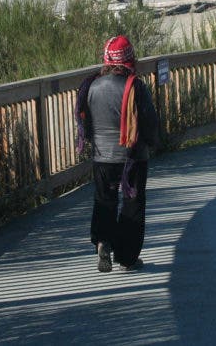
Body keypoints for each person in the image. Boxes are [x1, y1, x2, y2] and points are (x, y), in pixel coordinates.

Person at [80, 35, 159, 272]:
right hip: (132, 156)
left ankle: (103, 241)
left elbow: (86, 122)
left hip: (102, 156)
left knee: (104, 200)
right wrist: (153, 143)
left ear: (107, 59)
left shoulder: (91, 86)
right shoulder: (136, 86)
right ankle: (127, 257)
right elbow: (149, 122)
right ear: (130, 59)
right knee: (132, 204)